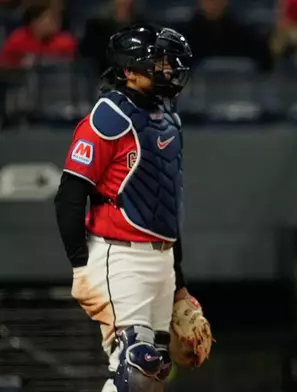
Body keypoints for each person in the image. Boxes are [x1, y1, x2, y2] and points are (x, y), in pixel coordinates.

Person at [53, 23, 209, 392]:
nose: (168, 69)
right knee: (136, 363)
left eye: (169, 62)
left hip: (161, 259)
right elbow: (70, 194)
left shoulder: (168, 116)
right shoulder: (110, 116)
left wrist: (179, 285)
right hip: (118, 255)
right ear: (129, 70)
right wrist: (80, 264)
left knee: (155, 374)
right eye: (158, 62)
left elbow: (168, 208)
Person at [0, 2, 76, 68]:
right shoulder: (17, 40)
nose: (54, 24)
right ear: (33, 24)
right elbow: (6, 65)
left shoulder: (65, 41)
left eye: (54, 20)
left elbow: (67, 67)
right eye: (48, 20)